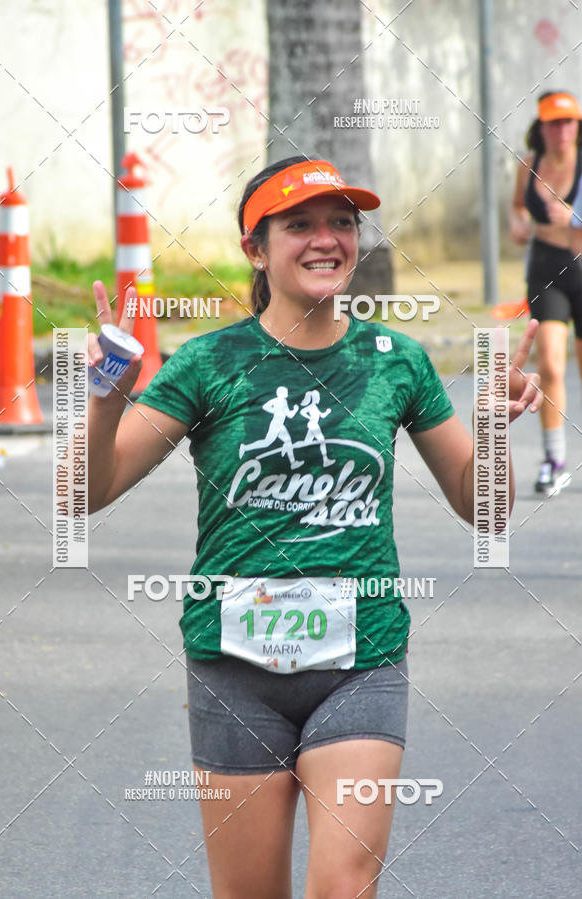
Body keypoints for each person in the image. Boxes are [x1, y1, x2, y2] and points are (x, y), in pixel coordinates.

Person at [88, 156, 542, 898]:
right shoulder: (211, 362)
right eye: (299, 224)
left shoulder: (398, 362)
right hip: (235, 663)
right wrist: (105, 392)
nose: (325, 239)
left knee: (342, 886)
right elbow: (86, 490)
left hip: (361, 659)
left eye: (341, 222)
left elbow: (485, 510)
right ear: (256, 249)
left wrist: (491, 430)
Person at [510, 90, 582, 495]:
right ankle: (554, 460)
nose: (563, 130)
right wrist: (518, 222)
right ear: (541, 128)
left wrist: (572, 216)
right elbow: (518, 206)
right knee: (551, 366)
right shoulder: (528, 166)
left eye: (570, 121)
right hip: (546, 273)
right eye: (555, 123)